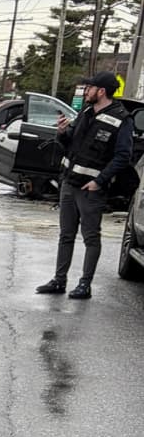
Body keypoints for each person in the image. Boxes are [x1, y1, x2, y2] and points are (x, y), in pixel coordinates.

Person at [35, 72, 135, 300]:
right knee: (66, 235)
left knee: (91, 237)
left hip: (91, 190)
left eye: (89, 88)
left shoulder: (121, 119)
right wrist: (62, 133)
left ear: (101, 91)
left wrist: (99, 181)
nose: (85, 91)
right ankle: (59, 280)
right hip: (69, 184)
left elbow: (123, 156)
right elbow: (69, 142)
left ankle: (84, 285)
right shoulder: (86, 112)